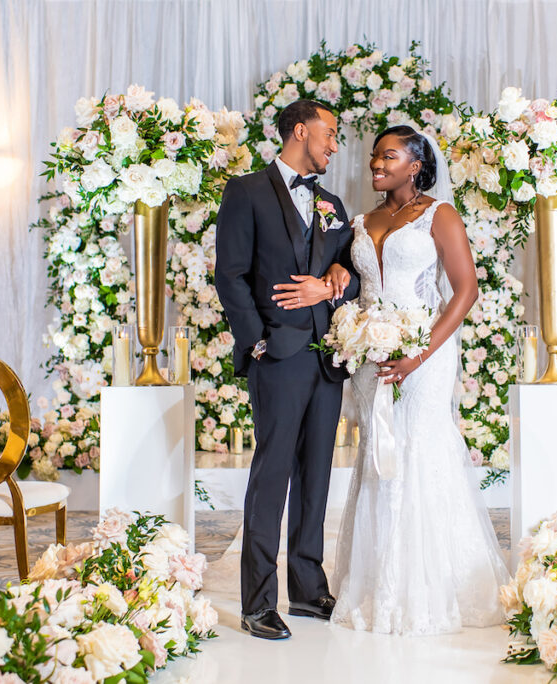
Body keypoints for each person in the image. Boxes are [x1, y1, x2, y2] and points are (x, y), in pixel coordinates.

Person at [331, 125, 510, 635]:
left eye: (388, 156)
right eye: (373, 157)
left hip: (424, 349)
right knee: (378, 450)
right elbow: (353, 281)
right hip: (372, 351)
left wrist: (418, 355)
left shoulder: (439, 215)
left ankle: (428, 585)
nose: (376, 164)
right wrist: (345, 292)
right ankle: (377, 581)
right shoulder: (361, 222)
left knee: (416, 447)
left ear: (415, 164)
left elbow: (465, 290)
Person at [214, 99, 358, 640]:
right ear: (301, 131)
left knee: (317, 474)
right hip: (276, 355)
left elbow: (352, 274)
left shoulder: (332, 203)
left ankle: (307, 586)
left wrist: (340, 270)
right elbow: (230, 276)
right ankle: (257, 602)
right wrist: (256, 344)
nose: (334, 145)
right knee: (272, 474)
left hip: (327, 359)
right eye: (330, 134)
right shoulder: (246, 192)